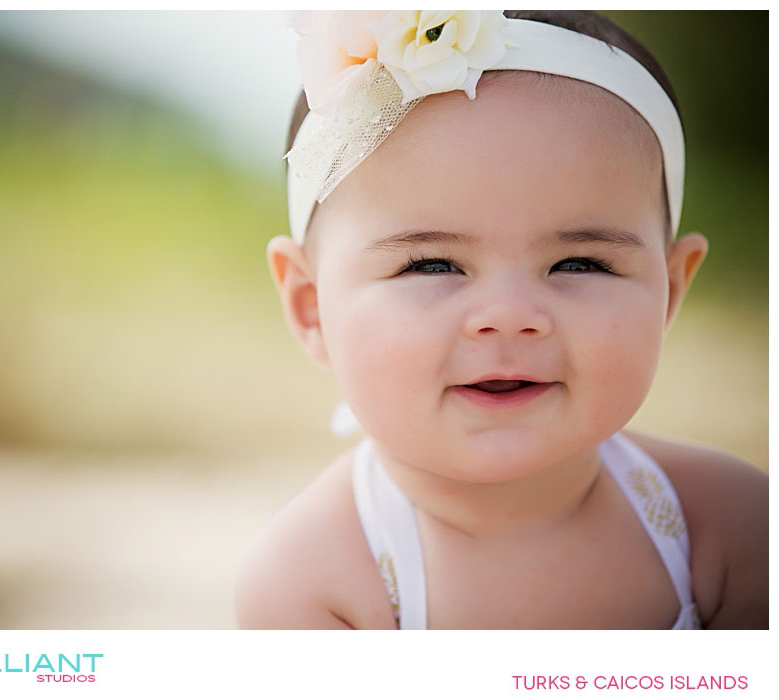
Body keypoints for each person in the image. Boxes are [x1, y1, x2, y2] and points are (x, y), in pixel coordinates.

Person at [235, 10, 767, 629]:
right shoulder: (314, 582)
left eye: (580, 262)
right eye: (432, 266)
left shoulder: (731, 525)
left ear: (670, 290)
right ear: (311, 305)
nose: (509, 318)